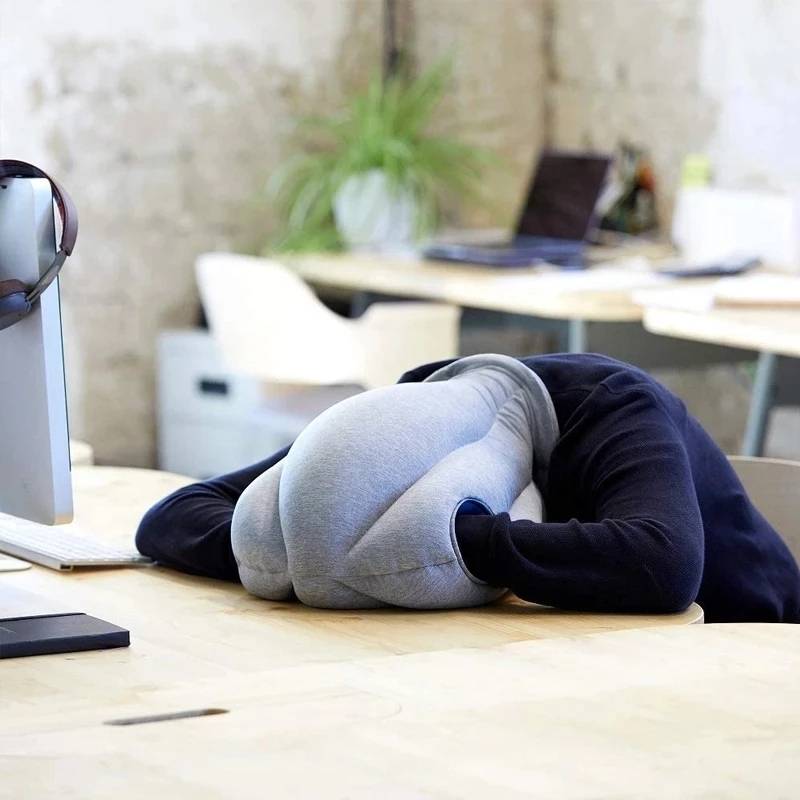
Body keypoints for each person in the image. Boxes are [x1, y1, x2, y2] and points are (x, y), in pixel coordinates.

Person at [136, 353, 800, 623]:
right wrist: (301, 549)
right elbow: (173, 516)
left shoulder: (616, 406)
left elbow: (664, 563)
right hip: (589, 656)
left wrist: (456, 541)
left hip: (752, 655)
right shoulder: (415, 410)